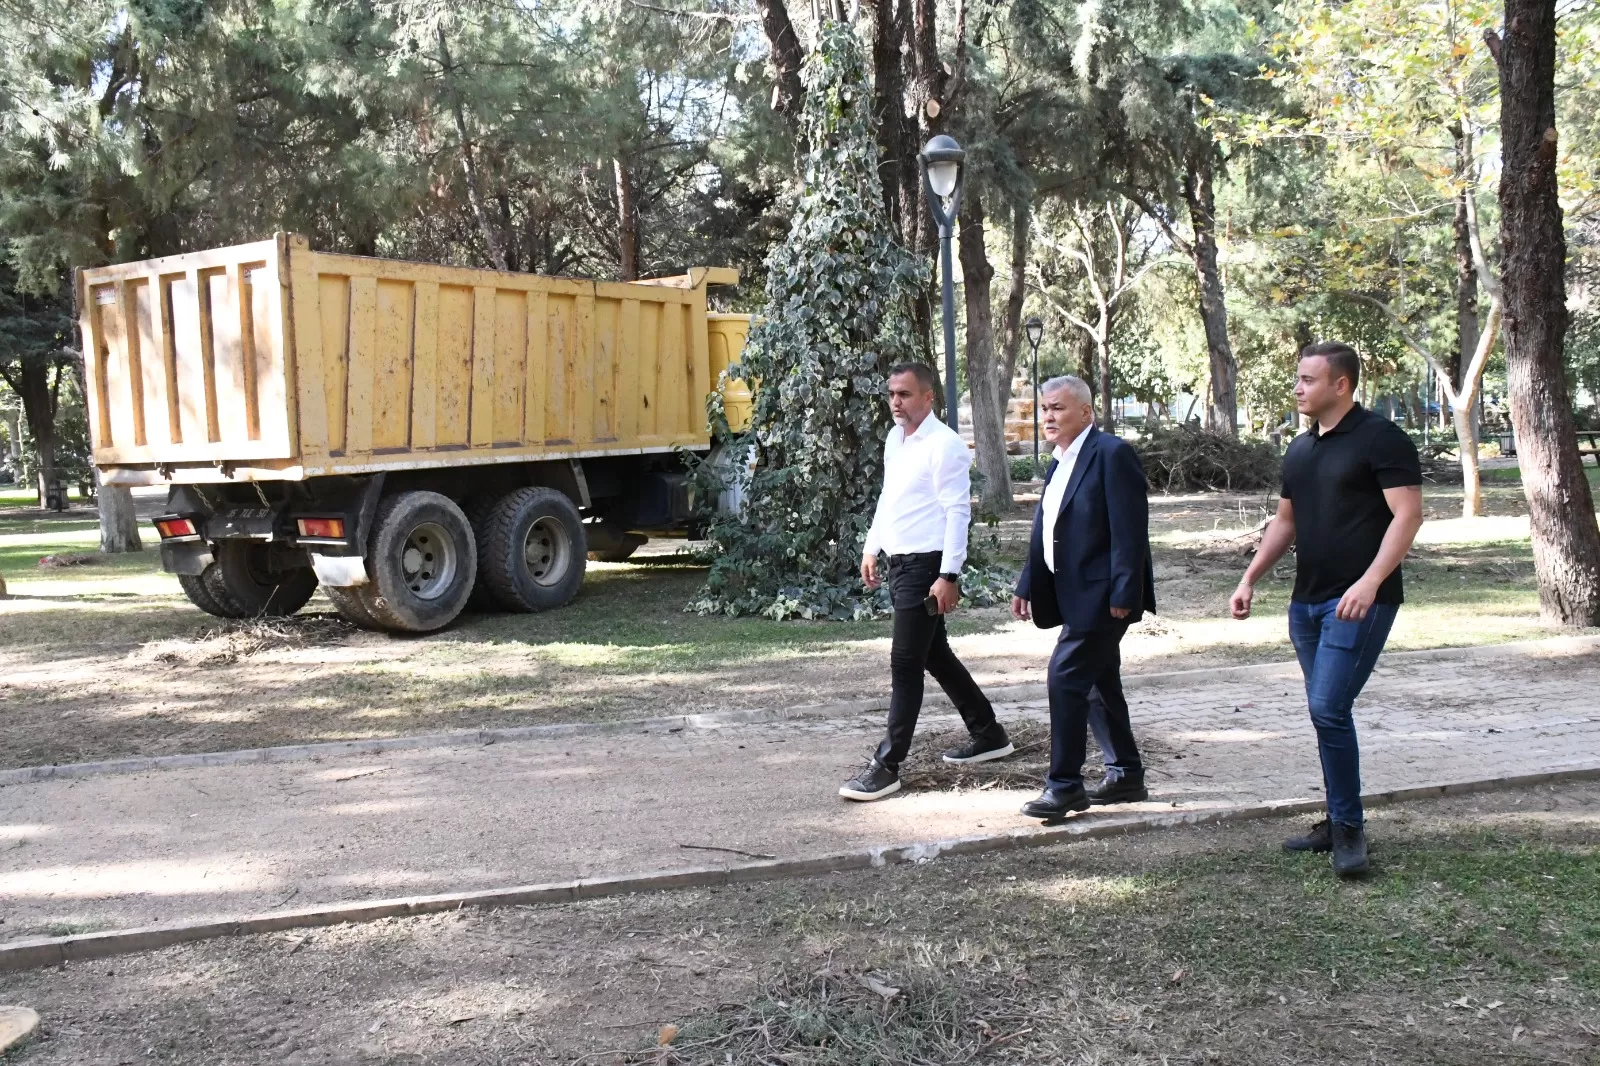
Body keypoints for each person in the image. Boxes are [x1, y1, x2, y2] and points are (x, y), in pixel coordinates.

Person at [1231, 341, 1423, 878]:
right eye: (1297, 379)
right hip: (1306, 605)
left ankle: (1349, 829)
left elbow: (1407, 516)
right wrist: (1250, 577)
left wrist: (1370, 581)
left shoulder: (1381, 438)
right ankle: (1339, 820)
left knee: (1329, 709)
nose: (1297, 388)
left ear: (1341, 384)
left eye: (1308, 380)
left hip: (1358, 602)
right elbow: (1285, 523)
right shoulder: (1299, 449)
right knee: (1326, 713)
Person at [840, 363, 1014, 801]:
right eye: (891, 394)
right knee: (934, 654)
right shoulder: (895, 439)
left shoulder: (945, 446)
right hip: (900, 562)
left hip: (927, 566)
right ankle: (988, 733)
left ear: (928, 397)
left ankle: (888, 765)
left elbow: (958, 513)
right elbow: (889, 496)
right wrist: (871, 546)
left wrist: (948, 574)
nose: (896, 401)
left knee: (905, 662)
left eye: (904, 394)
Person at [1012, 376, 1155, 819]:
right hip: (1070, 590)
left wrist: (1124, 592)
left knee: (1066, 676)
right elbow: (1049, 527)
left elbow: (1130, 530)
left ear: (1086, 413)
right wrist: (1027, 582)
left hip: (1103, 595)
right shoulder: (1059, 461)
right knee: (1097, 682)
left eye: (1058, 408)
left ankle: (1065, 785)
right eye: (1045, 409)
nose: (1048, 417)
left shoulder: (1111, 454)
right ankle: (1126, 774)